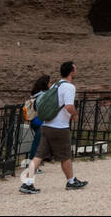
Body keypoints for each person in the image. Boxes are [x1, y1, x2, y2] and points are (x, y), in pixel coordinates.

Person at [21, 61, 87, 193]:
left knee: (38, 156)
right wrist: (75, 115)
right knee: (66, 155)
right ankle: (71, 181)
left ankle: (27, 183)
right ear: (71, 72)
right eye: (75, 68)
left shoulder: (55, 85)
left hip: (46, 125)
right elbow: (69, 106)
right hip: (59, 127)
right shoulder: (69, 87)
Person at [24, 74, 50, 165]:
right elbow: (42, 108)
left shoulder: (37, 94)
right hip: (39, 121)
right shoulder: (42, 95)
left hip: (35, 120)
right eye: (49, 83)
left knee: (40, 142)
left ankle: (38, 161)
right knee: (37, 143)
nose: (50, 84)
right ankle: (32, 164)